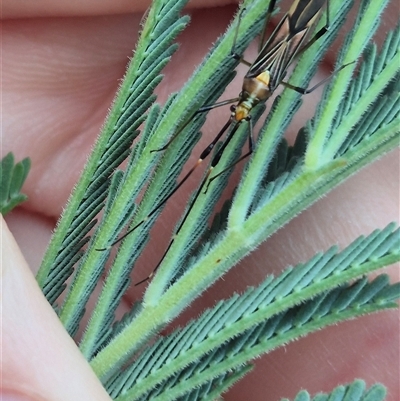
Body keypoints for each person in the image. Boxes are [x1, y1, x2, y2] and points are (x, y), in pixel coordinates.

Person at [2, 1, 398, 400]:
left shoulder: (250, 96)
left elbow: (283, 91)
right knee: (236, 129)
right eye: (241, 110)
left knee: (249, 125)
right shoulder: (245, 98)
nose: (240, 114)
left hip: (264, 75)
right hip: (260, 80)